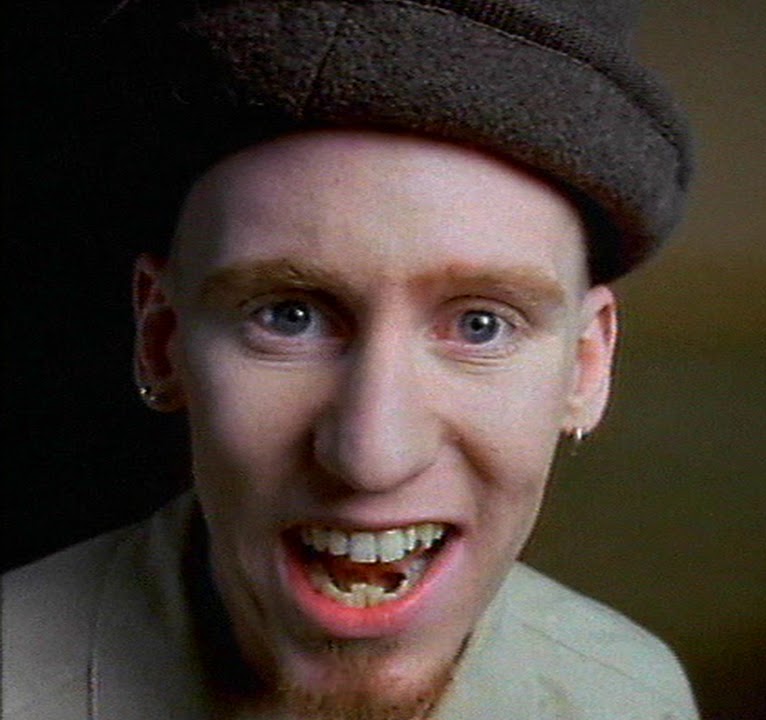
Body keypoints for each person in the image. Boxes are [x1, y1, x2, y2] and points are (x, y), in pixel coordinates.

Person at [0, 1, 696, 718]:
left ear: (586, 365)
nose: (372, 458)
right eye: (288, 316)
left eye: (481, 325)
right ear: (162, 342)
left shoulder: (629, 696)